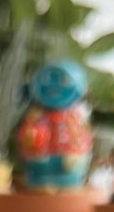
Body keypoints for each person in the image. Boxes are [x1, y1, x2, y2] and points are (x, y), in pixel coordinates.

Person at [16, 60, 93, 189]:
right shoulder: (36, 116)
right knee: (39, 165)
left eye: (64, 81)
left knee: (73, 165)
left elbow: (82, 137)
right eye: (46, 81)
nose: (54, 86)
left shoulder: (75, 117)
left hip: (68, 159)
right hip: (42, 161)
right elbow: (28, 136)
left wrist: (78, 151)